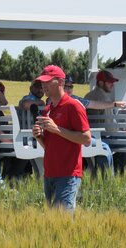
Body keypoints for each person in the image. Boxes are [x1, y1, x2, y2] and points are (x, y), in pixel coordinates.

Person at [32, 65, 91, 212]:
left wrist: (57, 130)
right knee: (53, 222)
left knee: (62, 220)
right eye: (42, 82)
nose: (43, 85)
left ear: (60, 82)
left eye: (47, 81)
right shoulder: (47, 110)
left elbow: (86, 139)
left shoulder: (73, 106)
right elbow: (49, 146)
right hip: (50, 173)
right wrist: (39, 136)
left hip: (68, 173)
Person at [84, 70, 126, 173]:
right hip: (105, 137)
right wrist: (121, 130)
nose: (112, 85)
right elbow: (110, 128)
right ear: (101, 83)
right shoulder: (105, 99)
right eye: (109, 82)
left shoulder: (88, 96)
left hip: (91, 135)